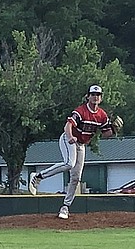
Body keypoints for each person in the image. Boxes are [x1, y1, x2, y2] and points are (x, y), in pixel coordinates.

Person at [28, 85, 122, 219]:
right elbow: (68, 126)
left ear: (101, 98)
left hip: (81, 144)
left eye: (98, 95)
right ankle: (38, 177)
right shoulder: (81, 111)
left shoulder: (102, 115)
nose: (95, 97)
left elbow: (106, 133)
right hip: (68, 138)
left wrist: (114, 130)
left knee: (76, 178)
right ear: (88, 96)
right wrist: (71, 136)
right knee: (69, 163)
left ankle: (65, 207)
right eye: (93, 94)